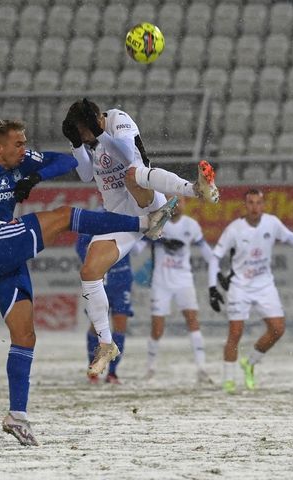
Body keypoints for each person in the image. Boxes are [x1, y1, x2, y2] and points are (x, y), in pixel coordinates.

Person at [0, 119, 177, 446]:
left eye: (25, 143)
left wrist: (36, 175)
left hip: (3, 261)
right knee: (64, 216)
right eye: (18, 144)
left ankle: (17, 416)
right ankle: (144, 223)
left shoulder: (23, 162)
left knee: (25, 337)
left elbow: (65, 162)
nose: (25, 149)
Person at [62, 98, 220, 379]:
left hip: (145, 197)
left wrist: (99, 135)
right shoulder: (85, 138)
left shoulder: (119, 119)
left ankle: (195, 189)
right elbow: (86, 175)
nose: (84, 137)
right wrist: (76, 145)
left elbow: (126, 154)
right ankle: (105, 344)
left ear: (96, 120)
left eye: (83, 131)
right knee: (89, 271)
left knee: (132, 173)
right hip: (119, 217)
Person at [208, 188, 293, 394]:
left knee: (278, 329)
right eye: (250, 203)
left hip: (265, 284)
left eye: (258, 203)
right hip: (240, 285)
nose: (255, 207)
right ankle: (228, 381)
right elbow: (215, 256)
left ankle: (249, 363)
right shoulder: (234, 229)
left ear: (263, 205)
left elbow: (291, 237)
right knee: (235, 332)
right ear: (245, 205)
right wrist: (212, 287)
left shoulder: (272, 223)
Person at [139, 198, 215, 384]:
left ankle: (202, 369)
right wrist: (143, 235)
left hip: (184, 281)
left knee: (192, 321)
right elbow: (136, 249)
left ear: (185, 204)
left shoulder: (191, 225)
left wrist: (218, 264)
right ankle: (150, 368)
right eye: (172, 202)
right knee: (157, 328)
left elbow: (207, 251)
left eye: (180, 202)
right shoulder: (156, 224)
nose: (177, 206)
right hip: (161, 282)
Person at [76, 233, 133, 385]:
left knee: (120, 325)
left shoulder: (128, 218)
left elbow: (146, 234)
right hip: (101, 280)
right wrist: (96, 263)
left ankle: (112, 373)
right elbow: (80, 247)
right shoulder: (95, 221)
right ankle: (94, 369)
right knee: (97, 326)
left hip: (122, 281)